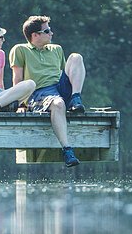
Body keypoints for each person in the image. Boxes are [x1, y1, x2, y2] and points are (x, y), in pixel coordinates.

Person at [9, 15, 86, 167]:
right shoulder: (20, 50)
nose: (51, 33)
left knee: (76, 57)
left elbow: (68, 73)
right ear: (35, 35)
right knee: (58, 104)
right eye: (47, 31)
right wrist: (20, 104)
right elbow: (17, 80)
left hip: (59, 87)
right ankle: (67, 150)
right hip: (39, 93)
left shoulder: (56, 49)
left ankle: (76, 98)